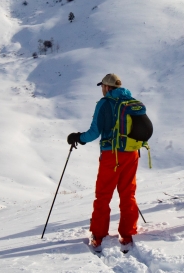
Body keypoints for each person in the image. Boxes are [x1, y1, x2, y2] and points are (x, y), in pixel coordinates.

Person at [67, 73, 139, 253]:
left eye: (102, 87)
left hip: (111, 156)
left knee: (103, 196)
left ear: (107, 87)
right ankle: (128, 234)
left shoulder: (104, 103)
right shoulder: (131, 102)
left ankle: (99, 236)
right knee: (128, 193)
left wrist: (78, 138)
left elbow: (94, 132)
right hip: (132, 154)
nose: (102, 90)